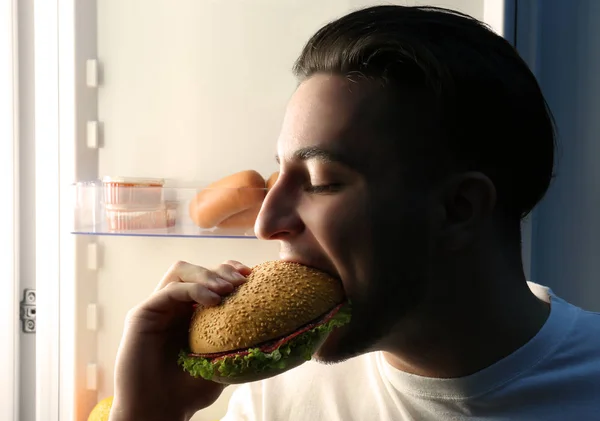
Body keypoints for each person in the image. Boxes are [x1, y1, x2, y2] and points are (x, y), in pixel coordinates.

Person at [108, 5, 600, 421]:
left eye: (320, 182)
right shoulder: (274, 399)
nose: (266, 222)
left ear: (458, 208)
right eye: (277, 174)